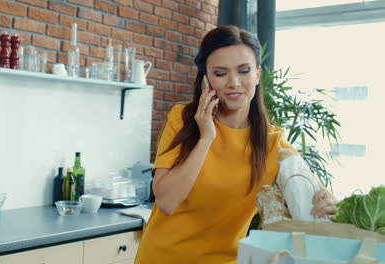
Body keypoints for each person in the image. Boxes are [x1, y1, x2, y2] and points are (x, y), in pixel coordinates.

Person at [134, 25, 337, 264]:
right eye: (220, 73)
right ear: (206, 79)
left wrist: (327, 203)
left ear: (258, 74)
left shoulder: (273, 144)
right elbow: (167, 202)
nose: (234, 82)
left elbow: (317, 198)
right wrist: (206, 137)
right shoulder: (182, 120)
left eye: (244, 71)